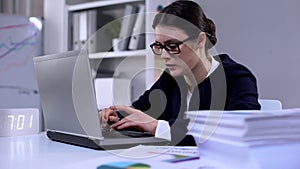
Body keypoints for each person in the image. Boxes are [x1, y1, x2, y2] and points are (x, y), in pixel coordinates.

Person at [100, 0, 261, 146]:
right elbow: (141, 112)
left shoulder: (237, 78)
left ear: (200, 41)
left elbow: (238, 133)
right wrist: (115, 117)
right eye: (159, 46)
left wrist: (157, 126)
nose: (164, 55)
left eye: (172, 45)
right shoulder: (170, 78)